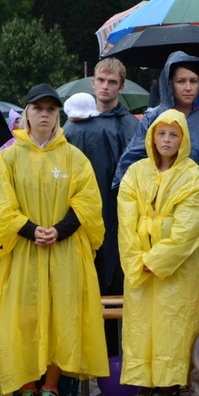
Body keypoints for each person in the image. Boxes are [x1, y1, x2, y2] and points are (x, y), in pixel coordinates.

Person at [0, 83, 108, 396]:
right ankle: (26, 386)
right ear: (26, 114)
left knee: (61, 317)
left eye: (51, 110)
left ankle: (52, 387)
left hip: (64, 252)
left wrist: (59, 230)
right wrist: (30, 230)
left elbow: (88, 203)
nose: (44, 115)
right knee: (24, 317)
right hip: (22, 253)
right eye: (38, 109)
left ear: (58, 116)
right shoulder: (11, 157)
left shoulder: (73, 157)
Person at [114, 51, 199, 299]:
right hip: (161, 225)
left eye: (194, 81)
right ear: (169, 83)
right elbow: (130, 168)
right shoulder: (153, 120)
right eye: (181, 81)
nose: (188, 87)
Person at [117, 108, 199, 396]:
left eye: (174, 134)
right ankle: (144, 379)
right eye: (161, 133)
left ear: (183, 139)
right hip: (139, 265)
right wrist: (136, 260)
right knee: (142, 324)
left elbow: (189, 227)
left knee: (173, 323)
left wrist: (156, 260)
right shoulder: (136, 172)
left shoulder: (192, 175)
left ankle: (170, 382)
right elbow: (125, 220)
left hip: (175, 268)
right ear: (151, 136)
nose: (167, 140)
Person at [64, 58, 139, 298]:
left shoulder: (129, 125)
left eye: (112, 82)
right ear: (93, 83)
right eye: (101, 80)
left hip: (119, 214)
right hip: (80, 213)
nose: (106, 86)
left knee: (117, 282)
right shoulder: (74, 126)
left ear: (121, 87)